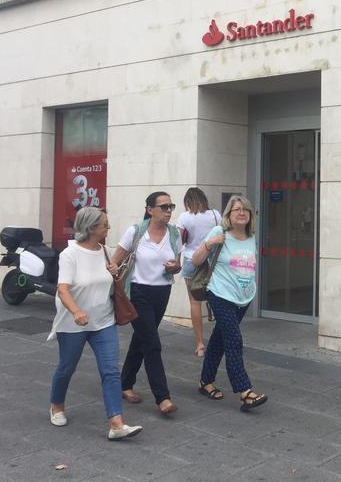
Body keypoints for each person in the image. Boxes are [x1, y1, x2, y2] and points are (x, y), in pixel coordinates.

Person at [48, 206, 143, 440]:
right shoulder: (69, 254)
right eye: (104, 225)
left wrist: (115, 273)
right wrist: (76, 311)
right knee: (67, 367)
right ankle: (56, 405)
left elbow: (114, 281)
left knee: (111, 370)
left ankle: (116, 423)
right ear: (90, 228)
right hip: (73, 324)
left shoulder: (106, 252)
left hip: (103, 321)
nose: (108, 228)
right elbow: (62, 290)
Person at [190, 196, 267, 411]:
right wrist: (210, 243)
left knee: (219, 339)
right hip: (220, 294)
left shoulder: (251, 236)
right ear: (228, 214)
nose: (241, 213)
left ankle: (205, 381)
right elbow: (195, 260)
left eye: (245, 210)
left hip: (244, 298)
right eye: (236, 209)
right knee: (234, 339)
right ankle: (245, 391)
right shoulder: (219, 232)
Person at [112, 191, 182, 415]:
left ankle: (125, 383)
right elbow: (115, 261)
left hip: (162, 292)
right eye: (164, 207)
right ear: (150, 210)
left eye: (171, 206)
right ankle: (163, 397)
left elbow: (178, 265)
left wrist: (175, 267)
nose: (169, 211)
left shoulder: (175, 234)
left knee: (141, 338)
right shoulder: (135, 232)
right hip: (137, 292)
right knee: (152, 342)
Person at [176, 187, 221, 357]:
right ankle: (222, 339)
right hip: (212, 262)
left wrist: (176, 261)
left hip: (191, 260)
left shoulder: (184, 217)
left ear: (188, 201)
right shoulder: (215, 215)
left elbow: (179, 242)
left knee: (195, 303)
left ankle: (200, 344)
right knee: (218, 300)